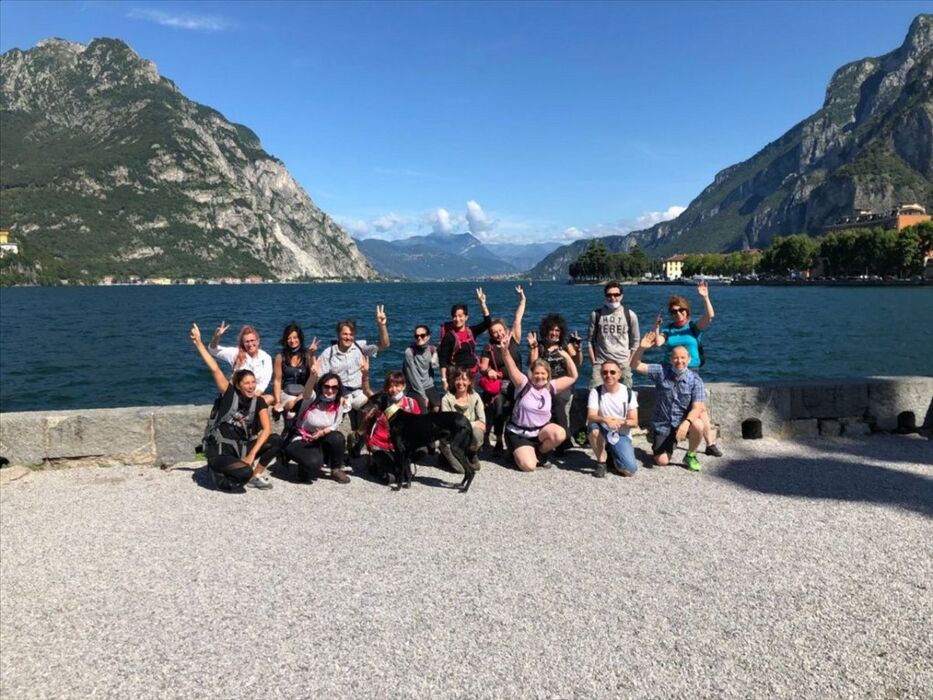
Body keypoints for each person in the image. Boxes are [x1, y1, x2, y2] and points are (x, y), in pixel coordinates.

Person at [191, 323, 279, 491]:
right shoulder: (230, 394)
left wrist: (252, 455)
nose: (251, 386)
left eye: (253, 383)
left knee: (275, 440)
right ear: (238, 385)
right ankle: (217, 473)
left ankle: (255, 475)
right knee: (243, 473)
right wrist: (198, 343)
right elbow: (215, 368)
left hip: (240, 448)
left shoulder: (257, 400)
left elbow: (266, 430)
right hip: (220, 449)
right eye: (246, 383)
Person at [652, 281, 722, 457]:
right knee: (675, 407)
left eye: (681, 310)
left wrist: (705, 297)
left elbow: (710, 317)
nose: (678, 314)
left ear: (687, 311)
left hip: (692, 372)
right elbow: (659, 342)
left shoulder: (693, 327)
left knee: (700, 409)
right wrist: (658, 327)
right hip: (672, 372)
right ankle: (678, 438)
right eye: (674, 311)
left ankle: (710, 444)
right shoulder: (668, 329)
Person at [630, 330, 709, 472]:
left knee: (698, 424)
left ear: (689, 359)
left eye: (683, 358)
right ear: (671, 359)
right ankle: (658, 438)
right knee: (661, 462)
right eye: (676, 358)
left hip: (681, 421)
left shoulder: (695, 380)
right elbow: (635, 365)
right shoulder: (662, 371)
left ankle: (691, 454)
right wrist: (641, 348)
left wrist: (686, 423)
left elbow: (697, 407)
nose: (680, 361)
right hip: (663, 424)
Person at [498, 335, 578, 472]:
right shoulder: (523, 384)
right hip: (519, 433)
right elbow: (512, 368)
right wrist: (505, 351)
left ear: (548, 375)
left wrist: (566, 356)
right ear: (531, 374)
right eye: (536, 373)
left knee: (559, 433)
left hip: (539, 432)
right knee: (528, 467)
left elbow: (573, 376)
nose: (539, 376)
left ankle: (539, 453)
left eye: (543, 374)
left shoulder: (550, 387)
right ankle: (514, 451)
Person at [317, 305, 390, 425]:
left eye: (351, 334)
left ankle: (362, 438)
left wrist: (381, 325)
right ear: (338, 334)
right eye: (345, 334)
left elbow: (385, 345)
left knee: (376, 412)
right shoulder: (329, 353)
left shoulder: (359, 347)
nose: (348, 337)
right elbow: (319, 379)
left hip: (358, 393)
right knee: (329, 424)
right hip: (337, 394)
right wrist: (334, 395)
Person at [282, 367, 352, 484]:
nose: (330, 391)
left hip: (319, 438)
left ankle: (335, 469)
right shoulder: (313, 398)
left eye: (334, 387)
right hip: (300, 438)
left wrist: (322, 432)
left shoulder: (338, 402)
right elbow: (307, 392)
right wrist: (312, 377)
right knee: (314, 463)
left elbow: (335, 424)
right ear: (321, 387)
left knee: (337, 437)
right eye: (327, 386)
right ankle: (304, 467)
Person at [477, 286, 526, 453]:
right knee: (498, 404)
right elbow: (482, 367)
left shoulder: (514, 340)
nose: (498, 334)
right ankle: (498, 439)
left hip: (518, 384)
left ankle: (522, 439)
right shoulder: (489, 347)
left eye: (500, 331)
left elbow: (517, 318)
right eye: (494, 332)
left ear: (505, 330)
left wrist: (522, 300)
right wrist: (488, 371)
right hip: (500, 386)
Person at [359, 370, 422, 485]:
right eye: (390, 386)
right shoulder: (380, 403)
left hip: (400, 446)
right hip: (381, 445)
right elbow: (368, 392)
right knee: (391, 479)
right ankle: (375, 462)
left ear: (404, 386)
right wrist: (365, 375)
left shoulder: (411, 403)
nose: (393, 389)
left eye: (397, 385)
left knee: (404, 475)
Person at [528, 313, 583, 441]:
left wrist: (579, 350)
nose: (554, 333)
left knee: (558, 400)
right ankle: (555, 438)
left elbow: (577, 362)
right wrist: (533, 348)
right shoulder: (540, 346)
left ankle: (563, 439)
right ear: (546, 331)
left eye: (557, 330)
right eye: (551, 330)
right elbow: (533, 365)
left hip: (563, 383)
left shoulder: (565, 344)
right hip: (545, 384)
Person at [586, 360, 639, 478]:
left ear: (619, 375)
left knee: (630, 471)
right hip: (602, 429)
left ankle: (612, 455)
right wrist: (605, 420)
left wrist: (619, 422)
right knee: (593, 429)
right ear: (601, 375)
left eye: (612, 372)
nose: (608, 375)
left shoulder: (628, 393)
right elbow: (591, 416)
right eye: (605, 372)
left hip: (620, 433)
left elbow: (634, 421)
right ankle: (601, 462)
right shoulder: (596, 392)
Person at [587, 281, 640, 389]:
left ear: (621, 296)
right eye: (609, 295)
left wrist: (629, 362)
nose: (613, 298)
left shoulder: (630, 315)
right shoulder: (596, 315)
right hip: (601, 363)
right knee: (594, 392)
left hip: (623, 363)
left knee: (626, 394)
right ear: (605, 296)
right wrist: (594, 362)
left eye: (616, 295)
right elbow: (589, 341)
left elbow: (636, 341)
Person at [208, 321, 274, 403]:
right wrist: (216, 337)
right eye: (247, 341)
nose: (250, 344)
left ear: (258, 341)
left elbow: (264, 382)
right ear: (243, 343)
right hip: (236, 396)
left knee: (270, 398)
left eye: (252, 340)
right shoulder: (235, 354)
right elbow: (212, 350)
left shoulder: (266, 358)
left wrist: (253, 395)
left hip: (254, 395)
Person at [438, 288, 491, 388]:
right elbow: (443, 360)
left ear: (466, 317)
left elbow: (488, 323)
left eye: (460, 316)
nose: (457, 319)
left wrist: (482, 304)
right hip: (456, 377)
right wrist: (444, 380)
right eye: (454, 316)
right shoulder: (449, 336)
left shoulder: (471, 331)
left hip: (472, 375)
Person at [440, 366, 486, 470]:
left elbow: (482, 423)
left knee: (478, 433)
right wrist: (472, 424)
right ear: (453, 381)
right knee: (461, 470)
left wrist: (472, 426)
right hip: (451, 438)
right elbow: (448, 426)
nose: (460, 383)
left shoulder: (475, 397)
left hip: (466, 436)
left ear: (470, 381)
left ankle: (471, 453)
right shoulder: (446, 399)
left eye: (464, 379)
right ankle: (446, 455)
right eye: (457, 379)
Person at [272, 322, 318, 417]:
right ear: (285, 340)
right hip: (287, 393)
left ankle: (294, 405)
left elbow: (314, 375)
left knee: (309, 395)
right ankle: (293, 406)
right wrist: (277, 401)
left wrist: (311, 355)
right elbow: (277, 381)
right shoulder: (280, 357)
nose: (292, 341)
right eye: (289, 338)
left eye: (295, 337)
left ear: (300, 338)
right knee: (291, 403)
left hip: (305, 393)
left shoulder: (307, 355)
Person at [403, 324, 440, 412]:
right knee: (423, 411)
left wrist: (437, 354)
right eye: (417, 336)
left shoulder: (432, 349)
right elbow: (413, 377)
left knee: (437, 408)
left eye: (422, 336)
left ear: (428, 337)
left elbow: (436, 366)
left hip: (429, 386)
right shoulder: (409, 352)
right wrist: (423, 395)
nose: (419, 338)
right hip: (414, 387)